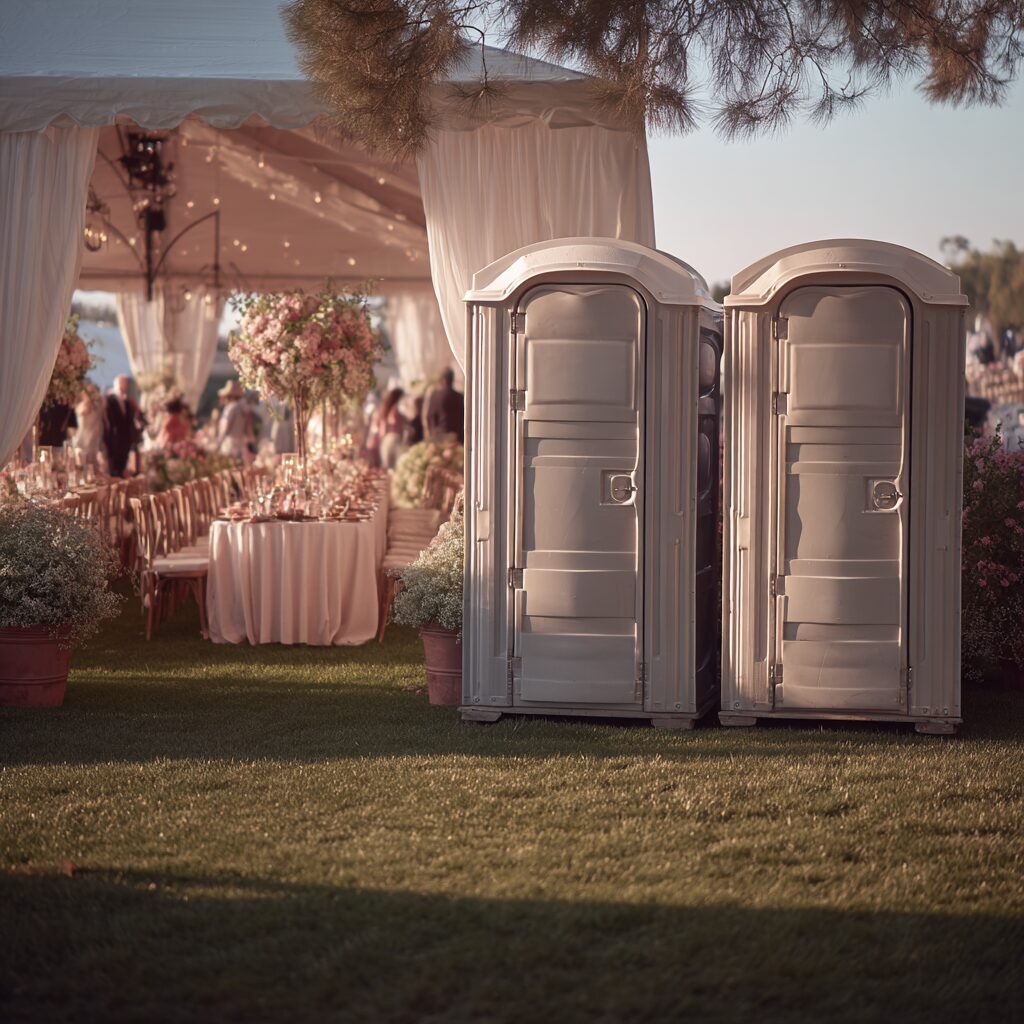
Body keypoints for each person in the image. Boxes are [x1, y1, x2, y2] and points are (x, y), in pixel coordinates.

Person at [102, 374, 145, 477]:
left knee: (122, 467)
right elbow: (108, 421)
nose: (126, 385)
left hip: (125, 439)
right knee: (113, 469)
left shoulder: (127, 401)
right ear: (118, 383)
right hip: (114, 439)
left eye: (127, 383)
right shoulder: (110, 399)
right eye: (124, 382)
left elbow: (130, 419)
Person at [424, 368, 464, 443]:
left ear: (443, 380)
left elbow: (431, 417)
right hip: (458, 438)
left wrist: (432, 435)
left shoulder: (435, 396)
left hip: (440, 437)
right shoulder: (460, 397)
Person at [216, 380, 253, 460]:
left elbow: (225, 427)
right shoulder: (243, 409)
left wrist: (218, 443)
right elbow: (247, 429)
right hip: (239, 445)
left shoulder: (230, 408)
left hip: (228, 445)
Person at [378, 387, 408, 470]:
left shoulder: (387, 409)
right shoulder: (396, 409)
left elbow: (383, 428)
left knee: (387, 467)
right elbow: (394, 423)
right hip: (395, 439)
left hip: (386, 439)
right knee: (395, 467)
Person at [71, 388, 103, 465]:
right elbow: (83, 411)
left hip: (93, 442)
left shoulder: (97, 407)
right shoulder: (82, 406)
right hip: (82, 442)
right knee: (81, 465)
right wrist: (87, 402)